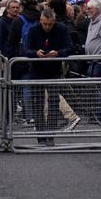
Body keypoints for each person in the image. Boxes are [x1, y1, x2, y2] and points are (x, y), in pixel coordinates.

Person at [23, 8, 72, 146]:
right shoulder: (33, 30)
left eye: (50, 24)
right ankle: (41, 135)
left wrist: (58, 53)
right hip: (37, 70)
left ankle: (50, 134)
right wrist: (35, 53)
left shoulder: (61, 29)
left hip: (53, 70)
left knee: (53, 102)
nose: (47, 27)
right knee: (37, 102)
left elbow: (69, 48)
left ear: (54, 21)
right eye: (45, 24)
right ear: (40, 21)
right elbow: (26, 50)